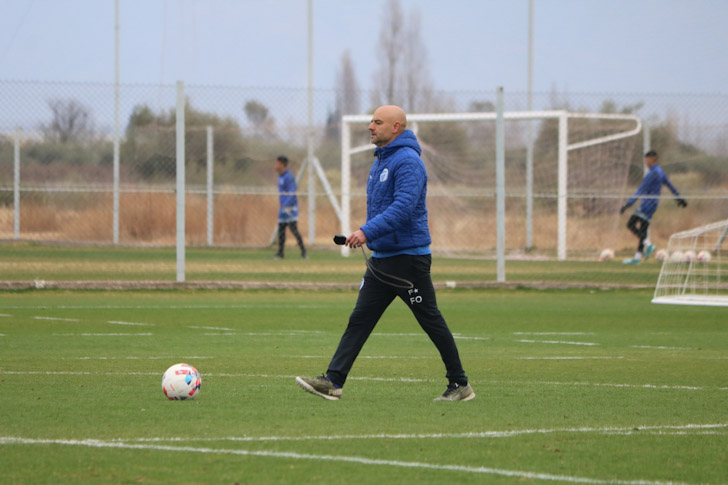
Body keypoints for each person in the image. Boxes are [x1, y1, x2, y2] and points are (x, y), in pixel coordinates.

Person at [295, 105, 474, 402]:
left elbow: (403, 209)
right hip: (383, 260)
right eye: (370, 121)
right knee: (360, 320)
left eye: (377, 122)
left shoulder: (407, 162)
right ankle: (333, 382)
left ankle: (460, 384)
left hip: (408, 261)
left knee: (430, 320)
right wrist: (370, 235)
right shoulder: (381, 161)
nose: (370, 126)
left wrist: (366, 232)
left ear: (396, 127)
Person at [620, 150, 687, 264]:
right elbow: (670, 185)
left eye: (647, 159)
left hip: (647, 204)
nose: (645, 161)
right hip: (653, 204)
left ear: (652, 160)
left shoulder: (653, 174)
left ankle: (648, 244)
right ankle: (637, 258)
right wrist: (678, 197)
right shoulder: (660, 172)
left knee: (630, 223)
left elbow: (641, 189)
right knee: (643, 230)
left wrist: (628, 203)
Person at [274, 155, 306, 259]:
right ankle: (280, 253)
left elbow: (292, 192)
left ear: (282, 164)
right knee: (281, 230)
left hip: (290, 208)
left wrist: (287, 204)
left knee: (293, 229)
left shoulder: (289, 177)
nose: (275, 166)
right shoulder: (280, 177)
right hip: (282, 207)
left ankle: (304, 252)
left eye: (277, 163)